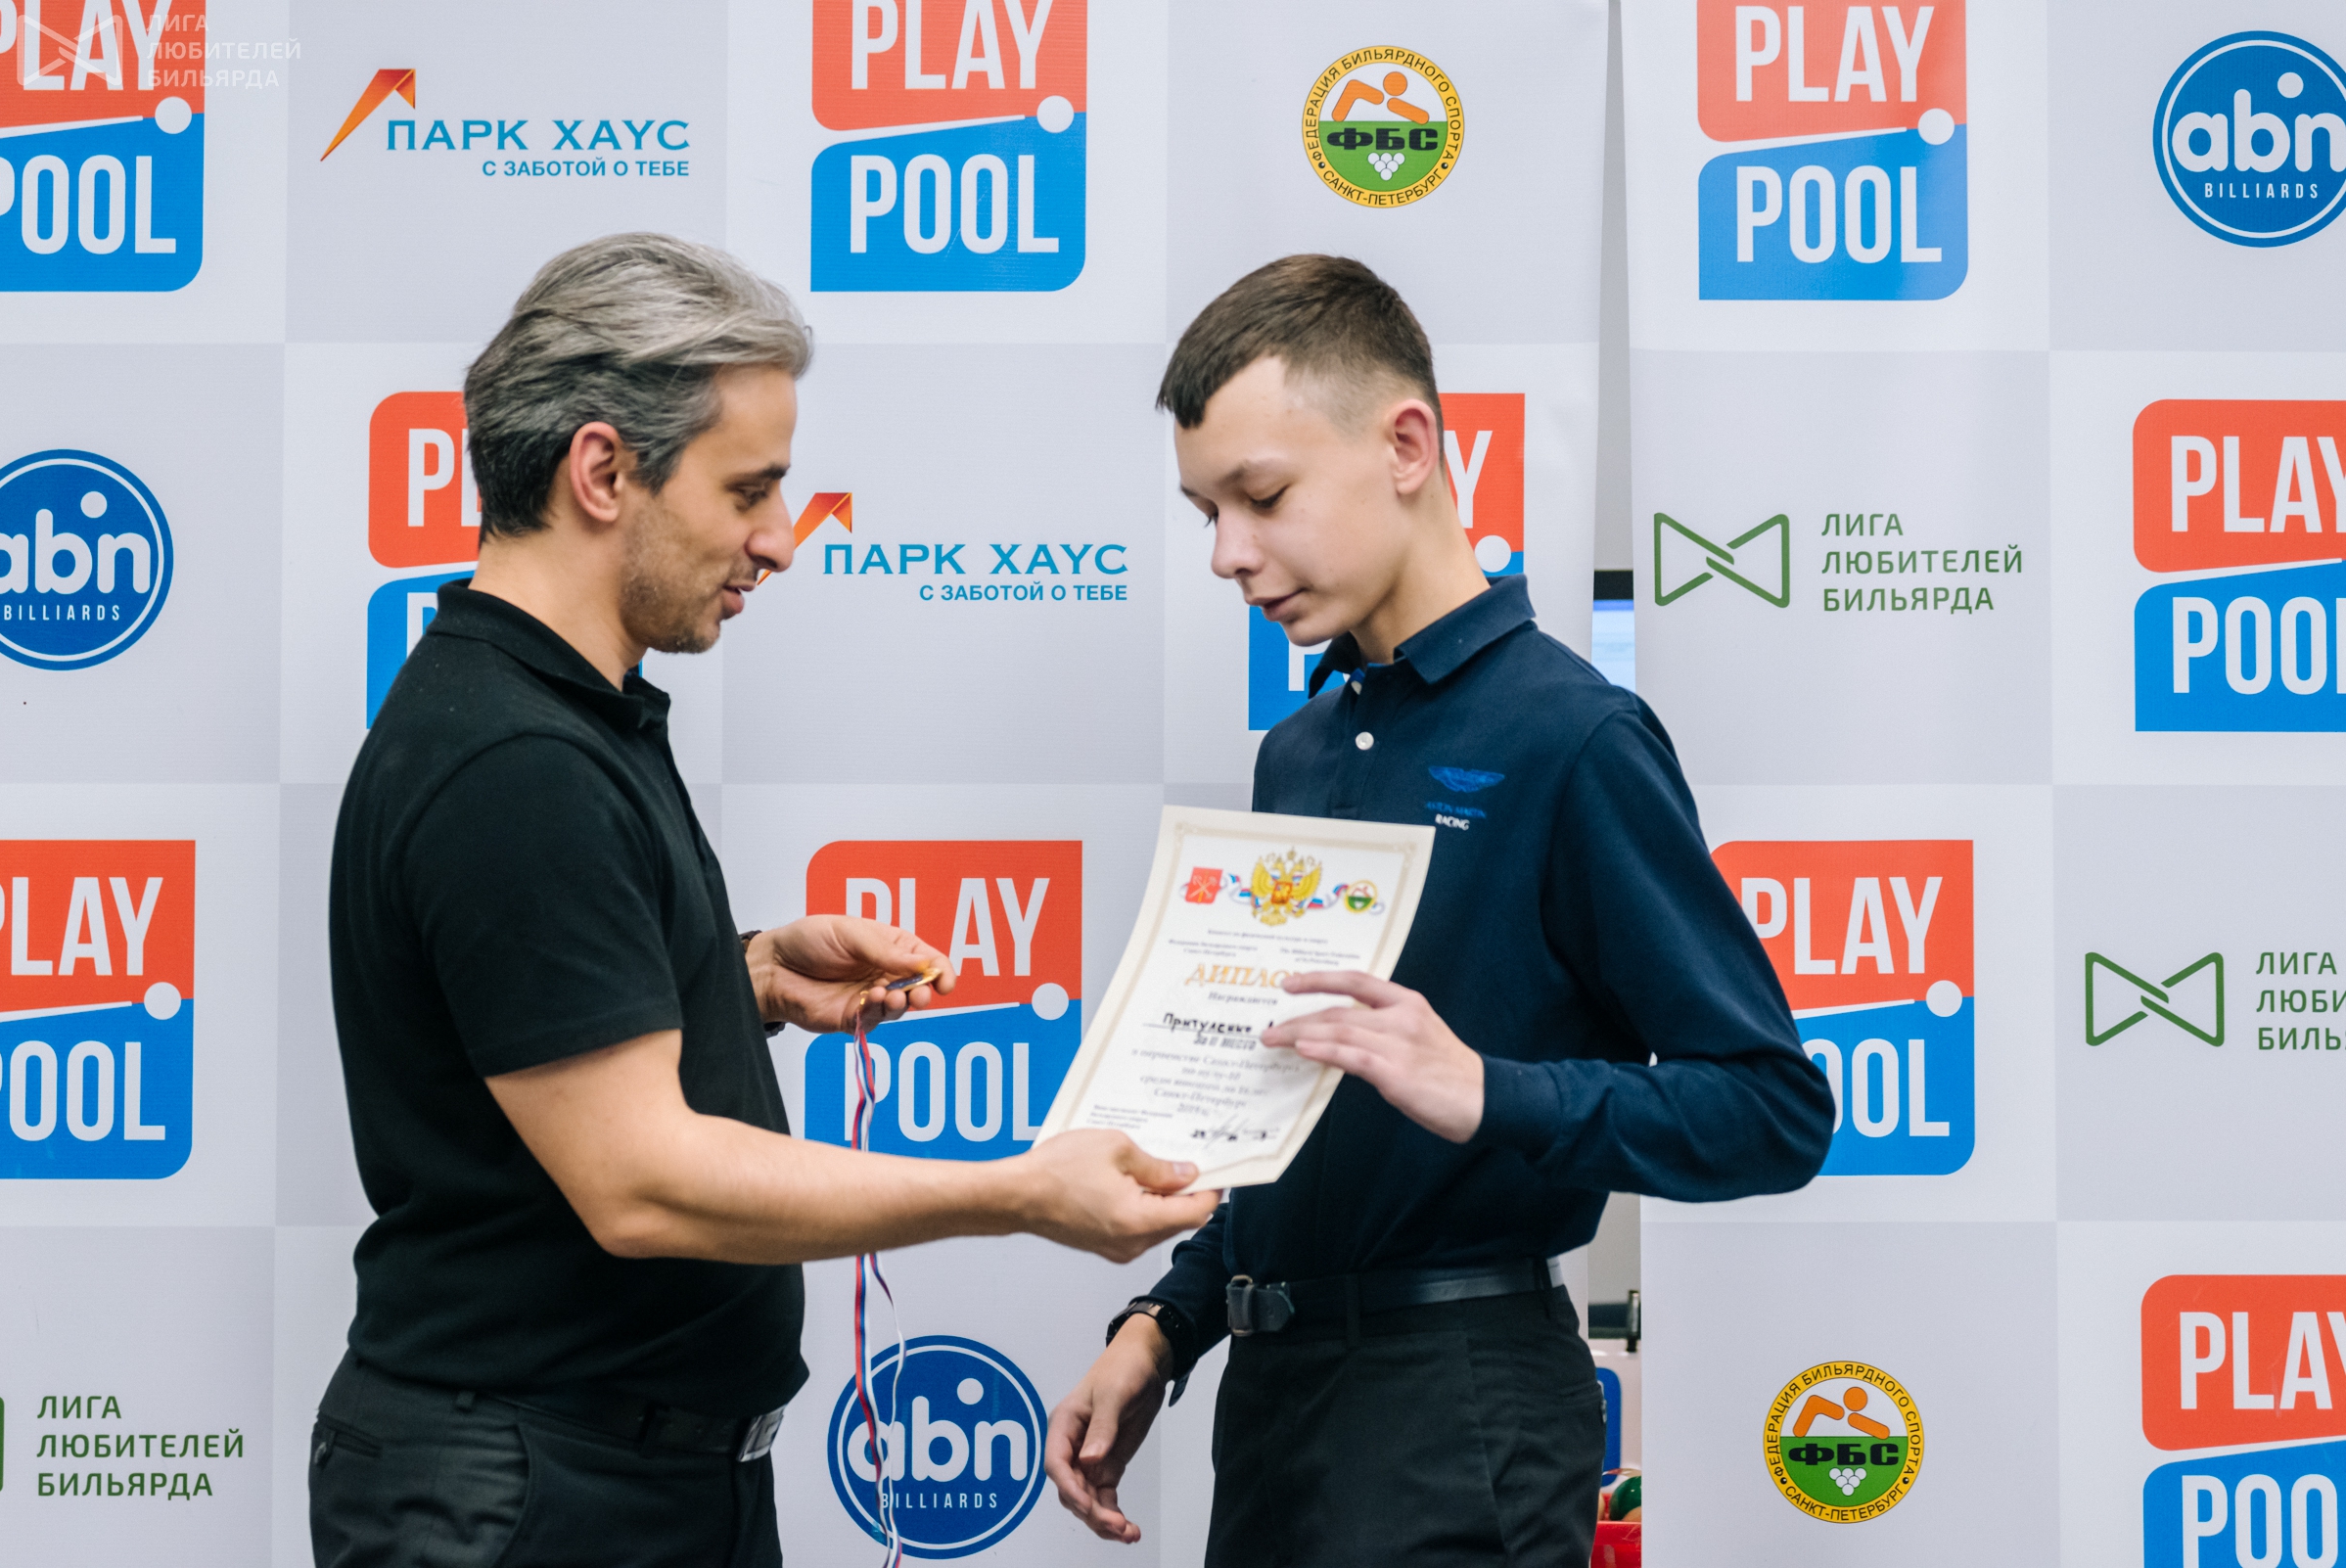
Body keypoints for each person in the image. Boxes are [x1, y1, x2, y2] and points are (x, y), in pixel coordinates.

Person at [311, 233, 1219, 1568]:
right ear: (603, 471)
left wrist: (741, 976)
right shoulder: (516, 761)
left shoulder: (555, 717)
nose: (782, 540)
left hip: (618, 1477)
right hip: (536, 1494)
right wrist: (1019, 1188)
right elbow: (641, 1184)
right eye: (749, 488)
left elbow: (526, 1021)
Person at [1043, 254, 1836, 1566]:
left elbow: (1772, 1111)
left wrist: (1488, 1091)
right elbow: (1290, 1130)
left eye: (1263, 497)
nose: (1230, 553)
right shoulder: (1298, 750)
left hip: (1464, 1403)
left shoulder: (1575, 736)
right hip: (1272, 1409)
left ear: (1406, 445)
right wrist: (1166, 1324)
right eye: (1207, 512)